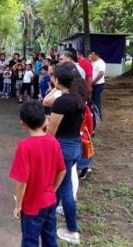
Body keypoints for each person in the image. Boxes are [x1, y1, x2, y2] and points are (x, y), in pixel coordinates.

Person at [10, 101, 66, 247]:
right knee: (50, 239)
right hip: (50, 201)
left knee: (30, 241)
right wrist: (52, 189)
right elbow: (62, 170)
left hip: (31, 206)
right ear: (45, 119)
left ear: (23, 123)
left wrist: (18, 205)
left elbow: (22, 181)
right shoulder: (53, 141)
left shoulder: (24, 146)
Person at [47, 63, 85, 245]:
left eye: (52, 76)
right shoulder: (77, 97)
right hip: (74, 145)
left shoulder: (62, 101)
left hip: (62, 147)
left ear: (57, 79)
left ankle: (72, 231)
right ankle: (50, 211)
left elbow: (51, 132)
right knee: (62, 185)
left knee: (66, 190)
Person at [90, 51, 106, 117]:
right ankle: (94, 115)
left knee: (96, 100)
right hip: (93, 84)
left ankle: (99, 115)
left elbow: (101, 73)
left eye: (93, 55)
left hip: (98, 84)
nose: (91, 56)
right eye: (91, 54)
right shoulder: (93, 62)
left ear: (97, 55)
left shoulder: (101, 63)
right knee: (93, 100)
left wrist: (94, 81)